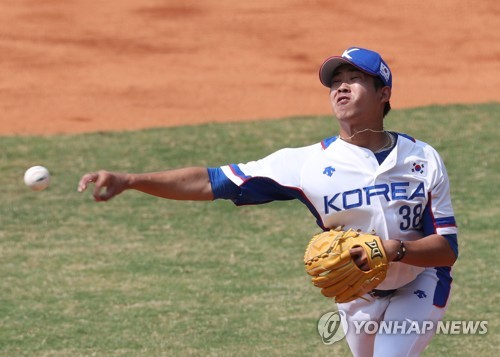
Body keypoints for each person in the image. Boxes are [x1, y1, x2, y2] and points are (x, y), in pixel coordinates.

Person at [78, 47, 458, 356]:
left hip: (420, 281)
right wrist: (131, 180)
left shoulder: (421, 158)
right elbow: (211, 181)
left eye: (355, 80)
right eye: (335, 83)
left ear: (383, 93)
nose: (341, 89)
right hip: (355, 292)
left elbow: (446, 250)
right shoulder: (307, 163)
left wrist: (394, 251)